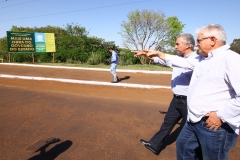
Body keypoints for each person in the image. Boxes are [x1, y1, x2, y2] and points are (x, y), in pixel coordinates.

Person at [144, 24, 240, 160]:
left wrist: (221, 115)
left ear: (213, 40)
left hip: (214, 126)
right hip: (193, 120)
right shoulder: (203, 59)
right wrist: (159, 54)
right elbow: (180, 61)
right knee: (183, 148)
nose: (196, 45)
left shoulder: (231, 59)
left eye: (199, 41)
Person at [132, 33, 199, 156]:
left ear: (187, 45)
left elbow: (173, 60)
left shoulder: (195, 59)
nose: (175, 46)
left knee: (190, 130)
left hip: (189, 101)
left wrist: (158, 52)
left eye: (177, 44)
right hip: (176, 100)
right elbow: (164, 60)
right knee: (167, 123)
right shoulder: (180, 57)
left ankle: (195, 154)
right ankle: (154, 145)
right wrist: (147, 55)